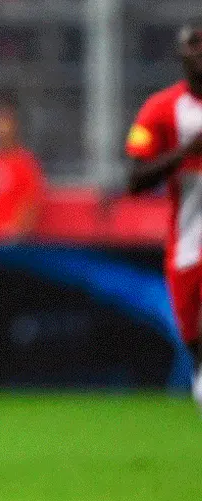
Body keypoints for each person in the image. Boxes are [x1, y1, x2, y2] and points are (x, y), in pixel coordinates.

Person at [127, 19, 202, 403]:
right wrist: (185, 153)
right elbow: (135, 180)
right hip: (188, 247)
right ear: (180, 54)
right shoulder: (160, 109)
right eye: (194, 44)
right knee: (195, 348)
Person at [0, 102, 46, 242]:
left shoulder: (25, 162)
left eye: (4, 122)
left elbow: (33, 203)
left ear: (14, 126)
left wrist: (14, 232)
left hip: (9, 240)